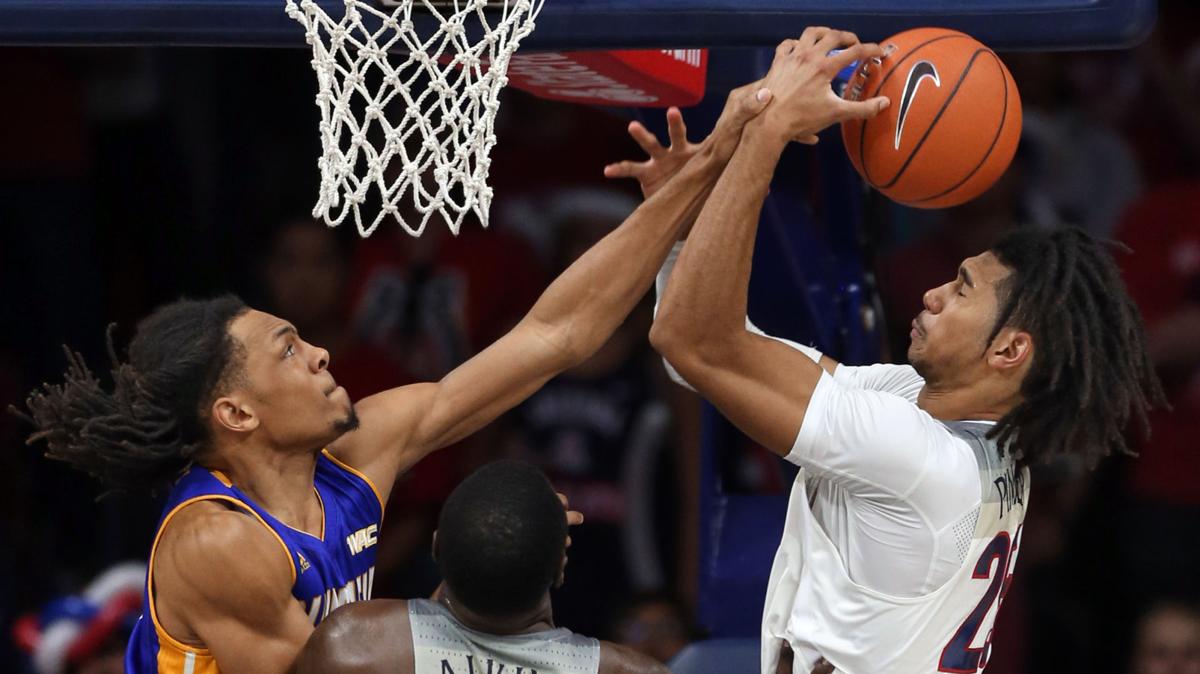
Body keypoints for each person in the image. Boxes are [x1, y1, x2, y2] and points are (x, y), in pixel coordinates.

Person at [11, 61, 805, 674]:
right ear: (237, 414)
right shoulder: (219, 546)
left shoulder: (361, 448)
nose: (321, 351)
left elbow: (554, 334)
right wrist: (468, 599)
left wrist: (704, 170)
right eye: (288, 350)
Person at [648, 29, 1164, 673]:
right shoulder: (942, 421)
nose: (932, 294)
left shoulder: (916, 457)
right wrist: (679, 235)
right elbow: (706, 351)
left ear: (1008, 350)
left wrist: (767, 130)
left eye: (962, 289)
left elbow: (694, 342)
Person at [295, 460, 669, 674]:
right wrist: (537, 539)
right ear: (559, 567)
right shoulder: (630, 671)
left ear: (437, 547)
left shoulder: (353, 647)